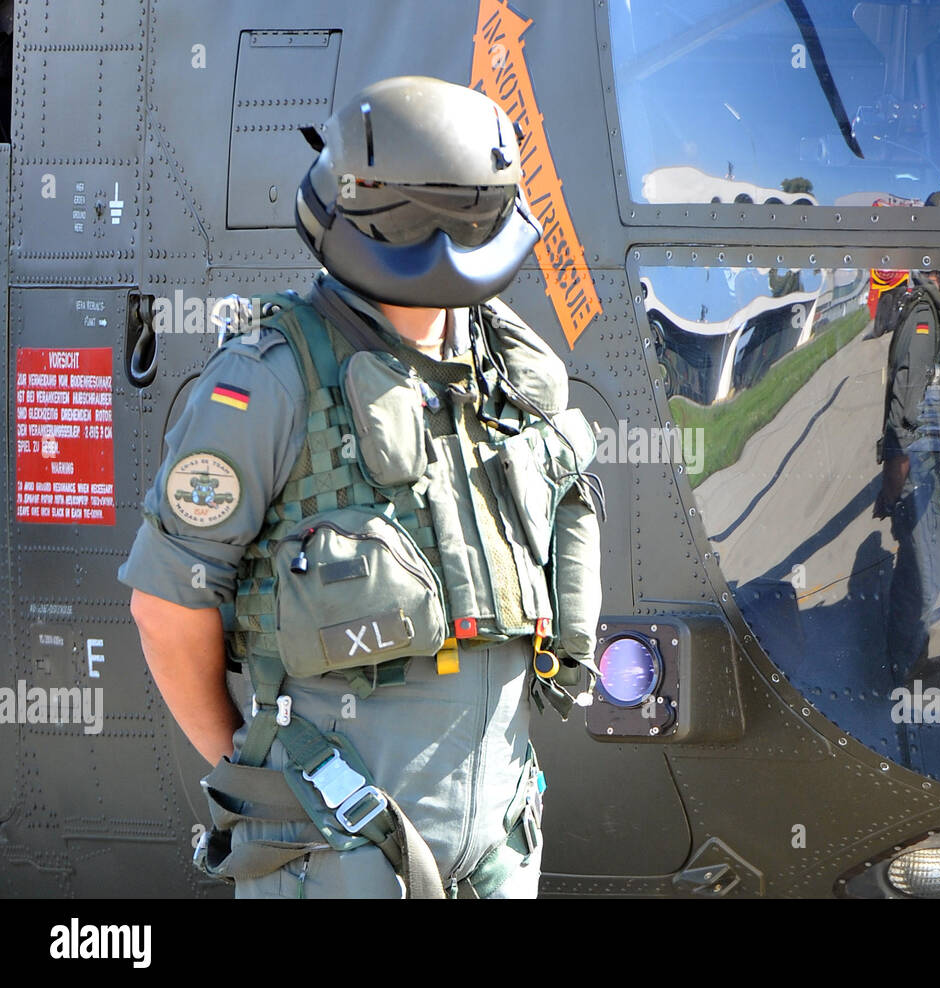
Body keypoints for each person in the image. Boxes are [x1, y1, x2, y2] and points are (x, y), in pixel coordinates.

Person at [118, 77, 603, 898]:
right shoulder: (270, 382)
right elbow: (167, 607)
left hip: (499, 840)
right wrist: (261, 772)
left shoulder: (508, 377)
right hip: (336, 843)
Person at [873, 266, 940, 684]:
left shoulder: (935, 310)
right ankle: (902, 671)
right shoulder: (924, 321)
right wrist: (894, 482)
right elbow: (904, 414)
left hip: (933, 465)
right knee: (923, 574)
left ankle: (913, 657)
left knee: (925, 569)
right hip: (921, 471)